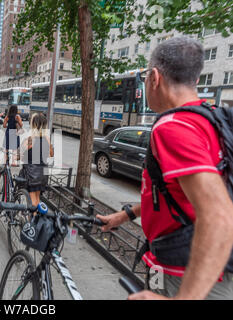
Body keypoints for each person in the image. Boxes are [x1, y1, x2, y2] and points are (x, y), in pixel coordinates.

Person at [97, 37, 233, 300]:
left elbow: (219, 216)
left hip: (188, 275)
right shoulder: (210, 119)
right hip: (188, 267)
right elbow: (175, 193)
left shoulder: (172, 127)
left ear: (154, 78)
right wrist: (126, 215)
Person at [20, 113, 54, 207]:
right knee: (37, 199)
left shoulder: (30, 139)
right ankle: (37, 219)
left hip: (32, 173)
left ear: (34, 124)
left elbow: (22, 156)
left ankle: (33, 220)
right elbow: (51, 154)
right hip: (43, 173)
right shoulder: (47, 138)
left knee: (32, 201)